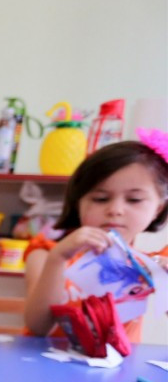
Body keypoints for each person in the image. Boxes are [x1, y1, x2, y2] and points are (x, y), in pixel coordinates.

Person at [23, 135, 168, 340]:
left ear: (157, 209)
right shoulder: (46, 254)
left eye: (134, 200)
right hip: (48, 366)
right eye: (101, 199)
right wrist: (57, 258)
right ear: (78, 203)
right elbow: (38, 327)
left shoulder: (154, 264)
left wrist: (164, 281)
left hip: (121, 370)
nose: (115, 210)